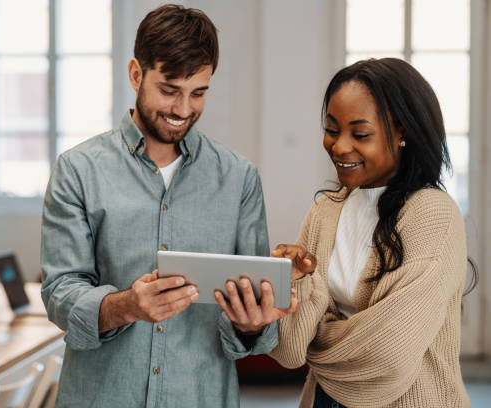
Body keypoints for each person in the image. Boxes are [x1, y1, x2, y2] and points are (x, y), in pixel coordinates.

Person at [41, 4, 289, 407]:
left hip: (200, 395)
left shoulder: (239, 178)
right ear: (136, 74)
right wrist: (124, 306)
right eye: (169, 90)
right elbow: (59, 292)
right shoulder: (77, 170)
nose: (183, 109)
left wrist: (250, 323)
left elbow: (256, 310)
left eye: (198, 93)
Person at [267, 58, 474, 407]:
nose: (340, 146)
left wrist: (318, 333)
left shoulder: (433, 215)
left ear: (402, 132)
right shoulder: (324, 212)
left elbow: (387, 357)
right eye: (332, 129)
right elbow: (288, 350)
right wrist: (296, 282)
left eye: (360, 134)